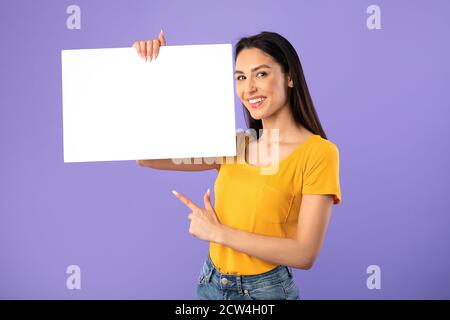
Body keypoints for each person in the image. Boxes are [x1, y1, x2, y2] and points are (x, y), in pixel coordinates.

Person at [134, 30, 342, 300]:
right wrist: (155, 71)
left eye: (261, 74)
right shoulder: (233, 144)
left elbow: (305, 254)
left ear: (290, 77)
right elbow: (145, 156)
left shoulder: (319, 153)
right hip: (211, 283)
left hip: (265, 292)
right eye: (241, 77)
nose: (249, 88)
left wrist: (219, 233)